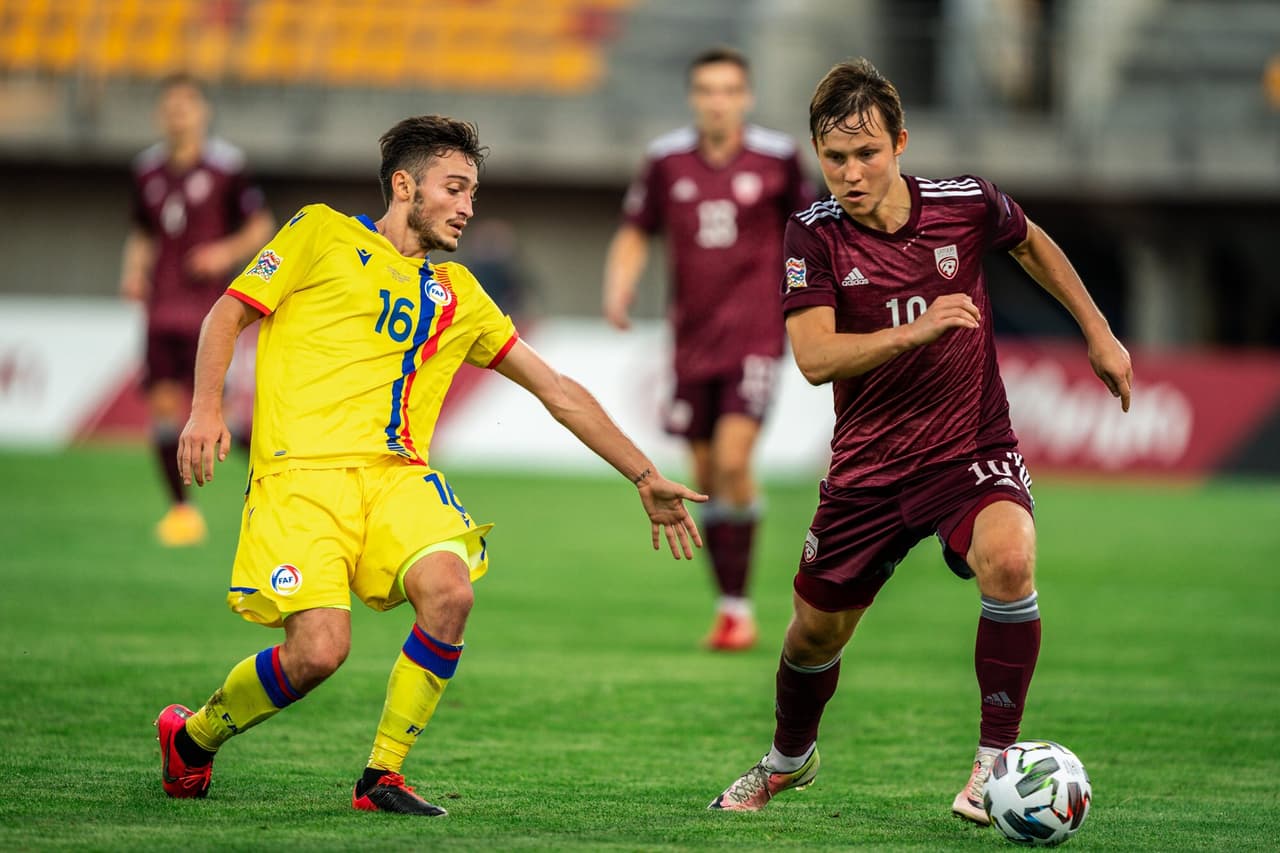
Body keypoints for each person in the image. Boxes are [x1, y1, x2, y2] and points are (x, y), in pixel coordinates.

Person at [156, 115, 707, 816]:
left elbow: (557, 390)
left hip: (396, 478)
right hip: (302, 478)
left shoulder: (460, 294)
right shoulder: (320, 232)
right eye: (455, 187)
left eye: (474, 192)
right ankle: (193, 738)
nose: (468, 206)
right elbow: (227, 314)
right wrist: (205, 409)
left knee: (451, 590)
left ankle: (381, 774)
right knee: (319, 652)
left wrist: (643, 472)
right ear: (404, 184)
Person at [708, 58, 1133, 825]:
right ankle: (788, 758)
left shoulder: (965, 204)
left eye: (866, 153)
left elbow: (1032, 241)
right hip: (868, 470)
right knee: (810, 637)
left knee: (1010, 556)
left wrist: (1099, 333)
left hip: (968, 448)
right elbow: (814, 359)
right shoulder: (813, 237)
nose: (850, 171)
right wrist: (921, 325)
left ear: (900, 143)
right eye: (834, 157)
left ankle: (992, 762)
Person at [602, 46, 817, 651]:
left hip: (755, 335)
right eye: (706, 90)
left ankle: (744, 604)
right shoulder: (666, 161)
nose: (716, 101)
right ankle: (732, 608)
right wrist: (619, 285)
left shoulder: (777, 159)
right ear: (693, 97)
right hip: (691, 342)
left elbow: (817, 230)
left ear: (744, 97)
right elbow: (635, 231)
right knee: (701, 475)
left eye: (728, 90)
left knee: (730, 461)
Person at [120, 72, 275, 547]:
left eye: (186, 105)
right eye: (169, 106)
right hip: (161, 309)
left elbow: (261, 227)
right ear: (160, 114)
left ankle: (279, 481)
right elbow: (144, 230)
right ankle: (182, 512)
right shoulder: (146, 170)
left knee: (218, 416)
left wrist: (222, 255)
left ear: (202, 112)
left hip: (210, 313)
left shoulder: (227, 168)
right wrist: (132, 269)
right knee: (165, 411)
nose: (177, 114)